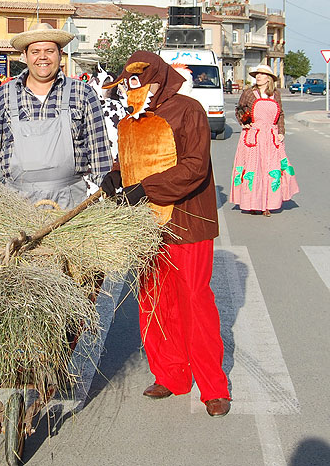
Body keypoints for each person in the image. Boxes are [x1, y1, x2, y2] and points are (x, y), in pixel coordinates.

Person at [100, 51, 231, 417]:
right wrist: (116, 175)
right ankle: (170, 374)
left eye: (140, 81)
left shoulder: (189, 110)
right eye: (129, 83)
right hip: (146, 225)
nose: (134, 88)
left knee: (195, 300)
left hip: (188, 221)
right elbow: (129, 157)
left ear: (159, 79)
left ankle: (213, 386)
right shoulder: (131, 118)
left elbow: (195, 165)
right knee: (155, 301)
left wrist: (147, 188)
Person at [0, 23, 112, 210]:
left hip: (72, 206)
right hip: (15, 206)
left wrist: (107, 204)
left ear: (60, 54)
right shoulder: (3, 96)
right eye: (35, 51)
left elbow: (100, 157)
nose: (42, 57)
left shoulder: (83, 93)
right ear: (25, 55)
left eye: (49, 51)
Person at [231, 65, 298, 217]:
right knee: (253, 169)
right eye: (257, 74)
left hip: (271, 137)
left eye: (262, 74)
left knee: (271, 168)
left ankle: (267, 204)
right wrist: (243, 122)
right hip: (253, 136)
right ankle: (252, 203)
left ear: (269, 78)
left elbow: (280, 114)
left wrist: (281, 132)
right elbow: (239, 109)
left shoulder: (275, 94)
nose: (259, 76)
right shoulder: (249, 93)